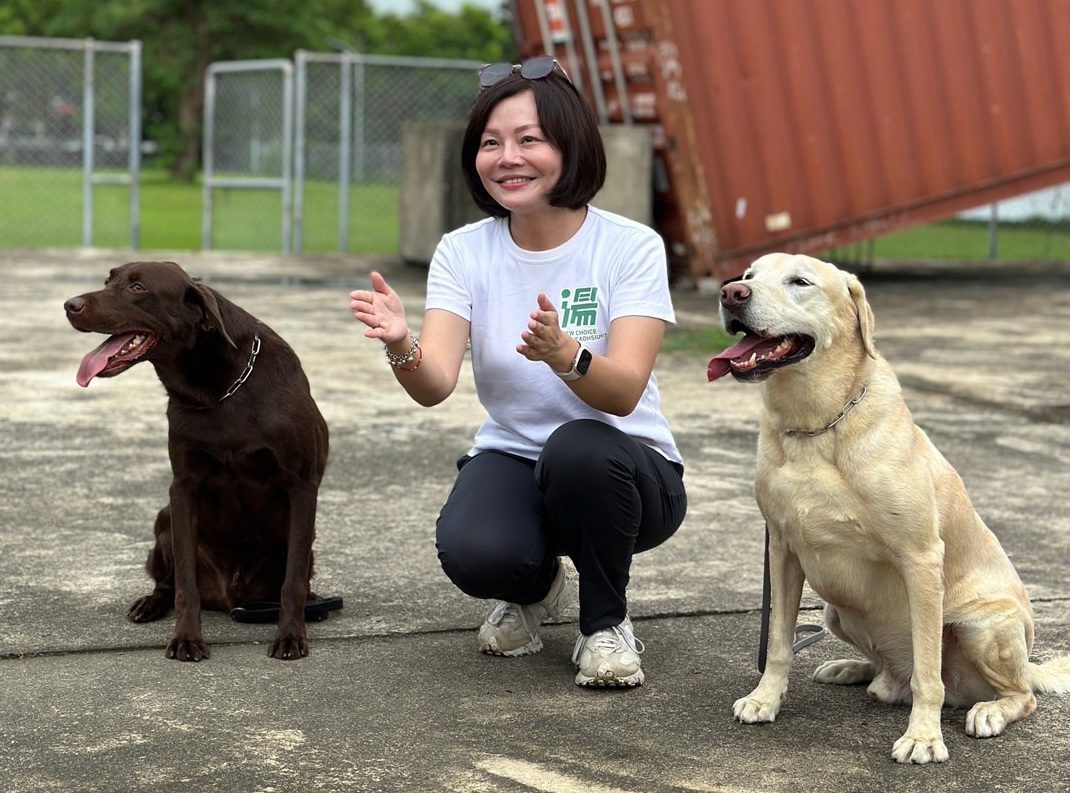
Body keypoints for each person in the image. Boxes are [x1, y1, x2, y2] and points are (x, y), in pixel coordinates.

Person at [349, 55, 686, 687]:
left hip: (631, 473)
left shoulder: (629, 246)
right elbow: (435, 385)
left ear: (571, 146)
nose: (508, 157)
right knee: (476, 554)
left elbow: (622, 393)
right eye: (491, 143)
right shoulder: (464, 250)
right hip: (515, 459)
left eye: (529, 140)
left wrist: (567, 357)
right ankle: (533, 588)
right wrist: (401, 342)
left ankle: (605, 624)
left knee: (581, 447)